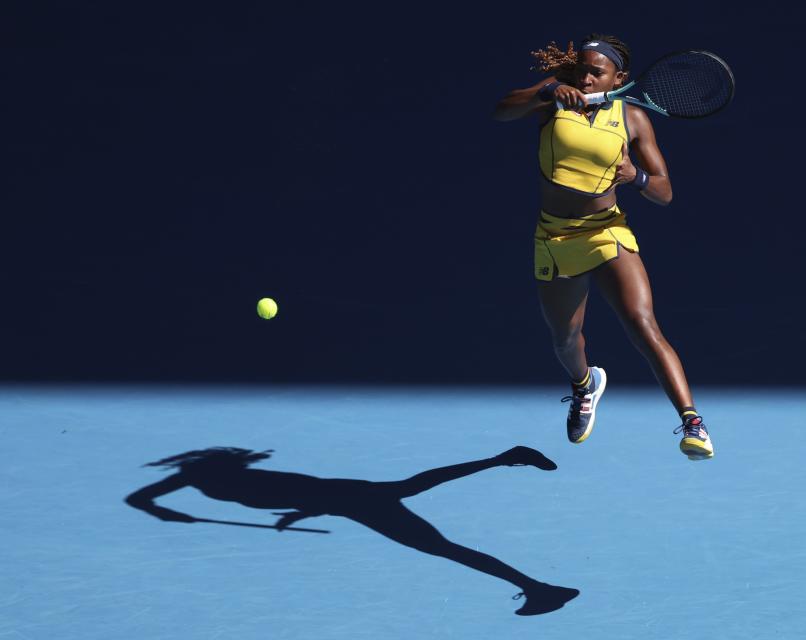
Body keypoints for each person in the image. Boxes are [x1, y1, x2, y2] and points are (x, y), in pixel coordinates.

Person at [493, 35, 713, 460]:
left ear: (620, 78)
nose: (587, 77)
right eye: (582, 69)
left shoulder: (632, 120)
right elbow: (501, 110)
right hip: (556, 237)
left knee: (642, 322)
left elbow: (665, 191)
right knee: (565, 338)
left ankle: (692, 423)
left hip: (607, 232)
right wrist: (546, 89)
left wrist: (637, 177)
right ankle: (584, 386)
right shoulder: (554, 100)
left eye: (597, 71)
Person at [125, 446, 579, 615]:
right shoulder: (207, 478)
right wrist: (164, 512)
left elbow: (310, 494)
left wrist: (302, 513)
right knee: (417, 493)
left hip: (349, 500)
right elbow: (141, 498)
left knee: (442, 544)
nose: (187, 473)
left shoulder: (236, 481)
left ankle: (539, 586)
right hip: (344, 499)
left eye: (193, 470)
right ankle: (504, 462)